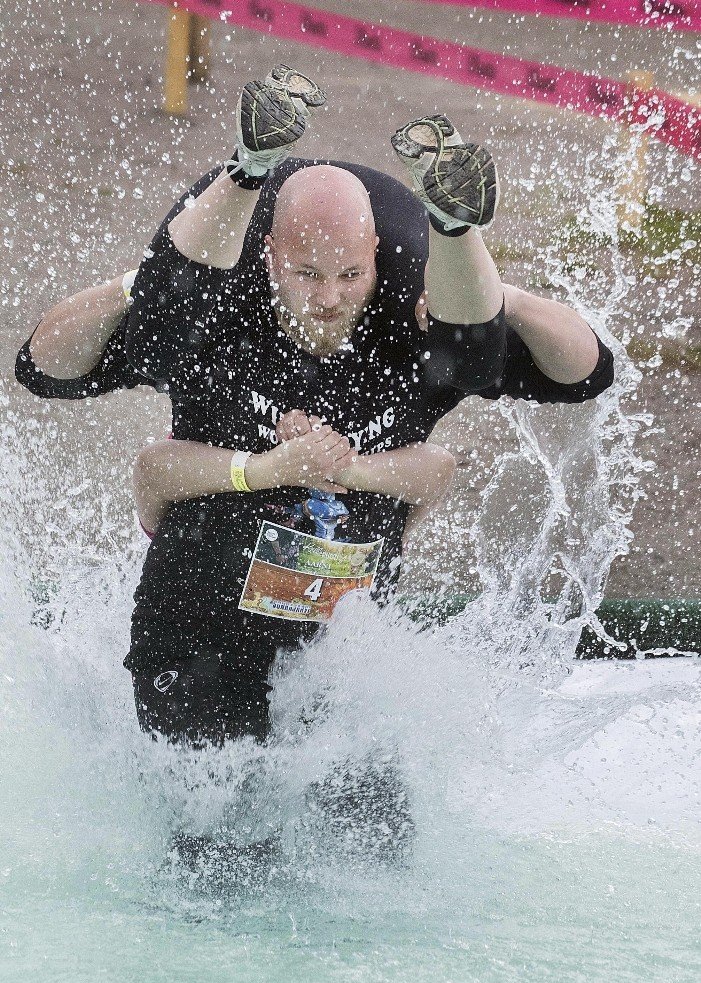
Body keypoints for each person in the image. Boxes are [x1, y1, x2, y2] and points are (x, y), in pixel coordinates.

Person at [16, 65, 614, 755]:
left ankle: (454, 226)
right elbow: (44, 367)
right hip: (200, 626)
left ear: (375, 260)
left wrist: (506, 299)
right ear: (271, 258)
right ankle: (248, 168)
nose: (329, 298)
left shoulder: (407, 308)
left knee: (466, 355)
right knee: (168, 317)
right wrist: (143, 282)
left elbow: (584, 372)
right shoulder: (220, 312)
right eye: (306, 276)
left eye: (349, 276)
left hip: (344, 653)